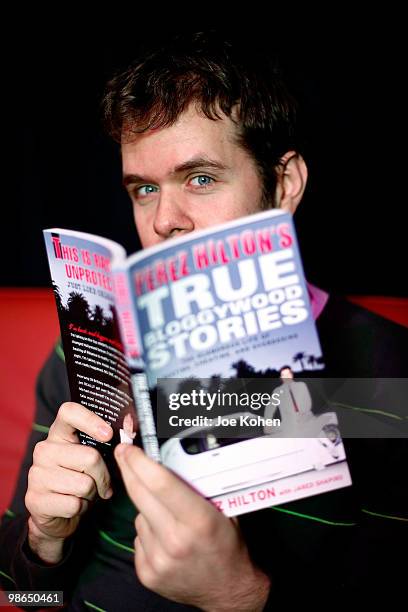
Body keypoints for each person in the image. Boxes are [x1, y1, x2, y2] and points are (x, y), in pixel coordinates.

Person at [1, 31, 407, 610]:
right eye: (144, 189)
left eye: (200, 178)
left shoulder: (391, 377)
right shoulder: (86, 354)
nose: (165, 219)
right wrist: (44, 542)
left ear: (284, 185)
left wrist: (239, 594)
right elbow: (29, 601)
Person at [263, 365, 313, 435]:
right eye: (283, 375)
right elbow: (270, 408)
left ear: (291, 374)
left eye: (288, 374)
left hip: (306, 418)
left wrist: (302, 414)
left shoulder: (301, 385)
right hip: (289, 423)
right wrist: (267, 423)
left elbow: (308, 403)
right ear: (281, 378)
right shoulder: (277, 391)